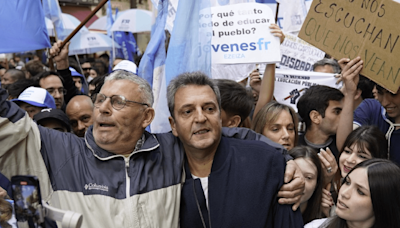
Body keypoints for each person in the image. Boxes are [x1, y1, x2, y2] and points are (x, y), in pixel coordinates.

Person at [167, 72, 303, 227]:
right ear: (173, 125)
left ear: (219, 116)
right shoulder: (155, 170)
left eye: (209, 109)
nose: (200, 118)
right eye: (188, 111)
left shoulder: (267, 164)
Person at [336, 56, 400, 165]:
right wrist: (350, 93)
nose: (385, 102)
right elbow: (344, 144)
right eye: (380, 93)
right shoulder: (371, 107)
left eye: (393, 94)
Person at [305, 159, 400, 228]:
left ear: (382, 203)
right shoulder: (316, 226)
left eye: (360, 192)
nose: (344, 193)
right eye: (347, 182)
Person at [297, 85, 344, 158]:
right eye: (337, 112)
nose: (343, 117)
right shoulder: (292, 144)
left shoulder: (344, 148)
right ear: (315, 117)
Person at [289, 146, 324, 224]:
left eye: (308, 177)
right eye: (295, 173)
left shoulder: (321, 222)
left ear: (317, 184)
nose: (301, 182)